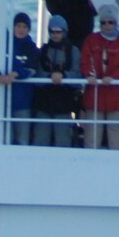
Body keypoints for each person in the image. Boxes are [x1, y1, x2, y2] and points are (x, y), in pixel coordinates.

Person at [81, 5, 119, 150]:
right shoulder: (91, 40)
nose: (107, 25)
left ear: (116, 22)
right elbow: (85, 61)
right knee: (91, 139)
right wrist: (90, 75)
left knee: (117, 140)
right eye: (103, 22)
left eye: (110, 22)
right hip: (95, 96)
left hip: (118, 97)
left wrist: (113, 77)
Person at [32, 15, 81, 147]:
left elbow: (78, 78)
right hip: (44, 104)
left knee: (63, 141)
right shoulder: (42, 51)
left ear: (64, 32)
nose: (55, 35)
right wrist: (49, 77)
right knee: (40, 141)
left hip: (64, 105)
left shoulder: (73, 52)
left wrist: (63, 77)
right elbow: (36, 76)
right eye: (52, 31)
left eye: (58, 31)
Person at [1, 13, 42, 144]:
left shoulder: (32, 49)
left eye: (24, 26)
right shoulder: (4, 45)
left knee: (22, 140)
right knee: (5, 139)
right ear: (13, 27)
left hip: (23, 100)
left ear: (29, 29)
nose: (21, 29)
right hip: (4, 98)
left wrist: (15, 74)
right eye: (18, 26)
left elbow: (32, 69)